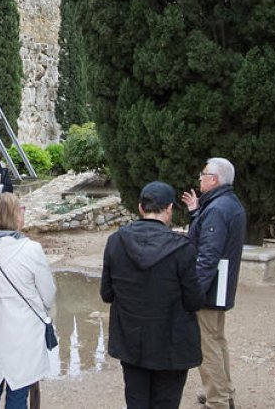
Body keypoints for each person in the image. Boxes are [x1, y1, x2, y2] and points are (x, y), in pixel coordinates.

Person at [101, 181, 204, 409]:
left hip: (132, 340)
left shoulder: (115, 242)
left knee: (136, 402)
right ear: (169, 209)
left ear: (140, 208)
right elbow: (194, 300)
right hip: (171, 343)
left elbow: (107, 293)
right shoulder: (182, 249)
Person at [0, 193, 56, 409]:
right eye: (20, 209)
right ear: (12, 216)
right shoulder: (31, 249)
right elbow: (48, 293)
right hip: (24, 330)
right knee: (19, 388)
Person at [182, 158, 246, 409]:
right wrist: (196, 212)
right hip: (220, 286)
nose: (200, 177)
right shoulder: (226, 204)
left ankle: (217, 401)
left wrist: (194, 291)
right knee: (217, 341)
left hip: (210, 289)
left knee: (206, 346)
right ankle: (224, 392)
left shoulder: (218, 209)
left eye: (204, 173)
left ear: (215, 179)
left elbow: (208, 255)